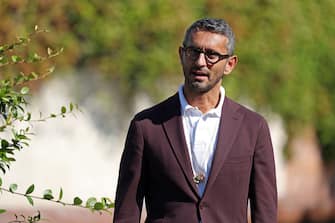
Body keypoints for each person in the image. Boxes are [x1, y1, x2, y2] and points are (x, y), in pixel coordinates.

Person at [113, 18, 277, 223]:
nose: (200, 62)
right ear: (181, 55)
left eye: (211, 55)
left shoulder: (253, 128)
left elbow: (266, 214)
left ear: (230, 64)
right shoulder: (146, 125)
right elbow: (126, 212)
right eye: (193, 52)